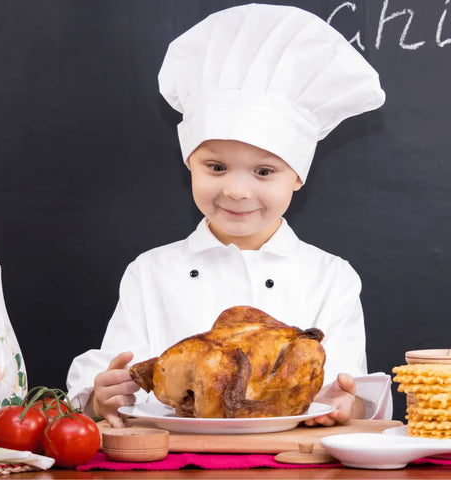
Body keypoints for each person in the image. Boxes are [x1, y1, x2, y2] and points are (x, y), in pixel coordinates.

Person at [67, 3, 392, 429]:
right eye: (216, 167)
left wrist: (348, 405)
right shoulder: (150, 272)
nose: (237, 190)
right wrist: (101, 395)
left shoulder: (332, 277)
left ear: (297, 177)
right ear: (189, 164)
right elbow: (117, 380)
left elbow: (349, 391)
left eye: (264, 171)